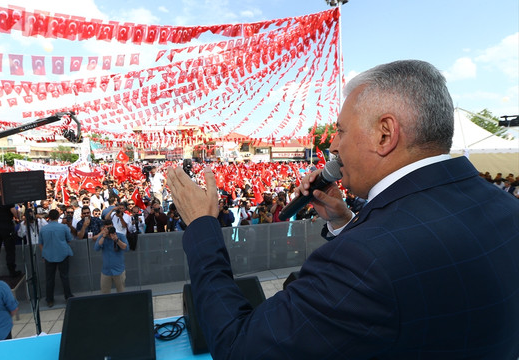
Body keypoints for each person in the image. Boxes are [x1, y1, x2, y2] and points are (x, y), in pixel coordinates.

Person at [166, 60, 519, 359]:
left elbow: (237, 346)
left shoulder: (365, 260)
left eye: (340, 131)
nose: (333, 144)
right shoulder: (504, 207)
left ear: (385, 135)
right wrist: (343, 221)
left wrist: (200, 225)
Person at [38, 209, 74, 308]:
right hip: (63, 254)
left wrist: (44, 253)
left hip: (48, 255)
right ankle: (68, 297)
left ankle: (49, 300)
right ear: (58, 216)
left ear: (49, 217)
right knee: (64, 277)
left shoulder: (43, 229)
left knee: (49, 279)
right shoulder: (63, 227)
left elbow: (40, 243)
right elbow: (69, 240)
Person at [94, 223, 128, 294]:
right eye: (107, 228)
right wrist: (103, 236)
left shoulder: (120, 236)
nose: (109, 230)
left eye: (110, 227)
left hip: (119, 270)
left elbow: (126, 248)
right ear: (104, 229)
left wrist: (117, 240)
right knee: (105, 293)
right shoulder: (102, 237)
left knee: (121, 293)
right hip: (106, 271)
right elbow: (96, 248)